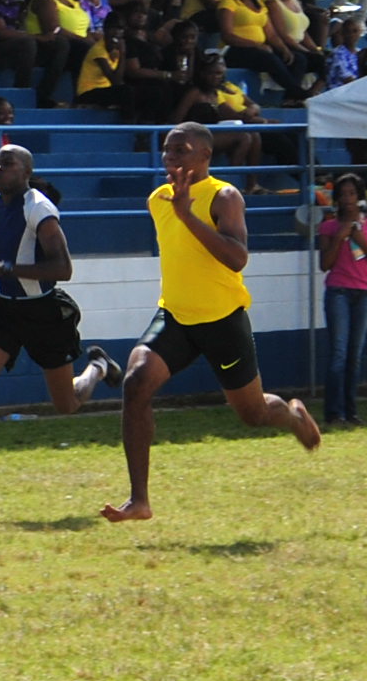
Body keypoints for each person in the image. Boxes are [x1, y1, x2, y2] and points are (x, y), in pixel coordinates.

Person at [103, 123, 323, 524]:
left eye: (181, 150)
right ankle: (139, 500)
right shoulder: (157, 199)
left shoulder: (225, 196)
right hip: (176, 317)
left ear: (205, 156)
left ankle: (292, 416)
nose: (171, 158)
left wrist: (187, 216)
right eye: (167, 151)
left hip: (222, 321)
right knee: (135, 382)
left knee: (252, 414)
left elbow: (238, 258)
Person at [0, 146, 118, 511]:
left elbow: (63, 269)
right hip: (2, 310)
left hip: (43, 312)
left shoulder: (40, 210)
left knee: (65, 404)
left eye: (7, 164)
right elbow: (2, 260)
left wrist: (2, 270)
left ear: (26, 172)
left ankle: (97, 368)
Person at [317, 171, 367, 426]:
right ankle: (334, 413)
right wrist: (339, 237)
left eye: (352, 194)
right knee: (338, 353)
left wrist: (360, 242)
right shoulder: (328, 226)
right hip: (339, 292)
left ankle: (351, 411)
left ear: (359, 197)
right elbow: (325, 263)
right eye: (343, 194)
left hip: (363, 292)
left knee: (354, 355)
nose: (347, 199)